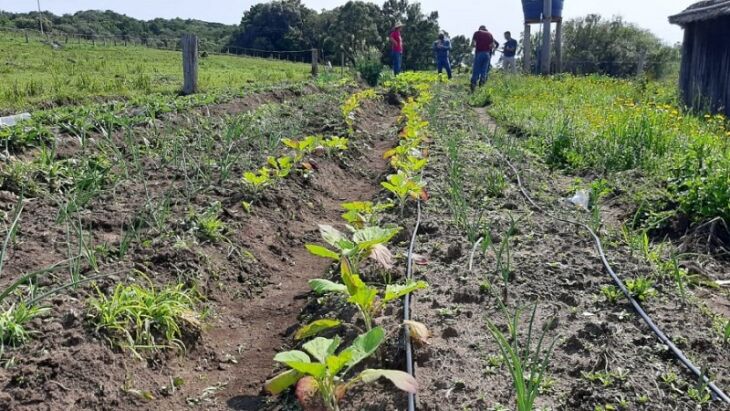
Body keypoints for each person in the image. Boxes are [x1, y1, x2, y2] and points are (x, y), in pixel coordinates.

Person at [470, 25, 495, 92]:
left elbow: (473, 43)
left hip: (479, 53)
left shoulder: (477, 33)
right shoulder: (490, 34)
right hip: (487, 54)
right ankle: (482, 85)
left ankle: (473, 85)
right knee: (484, 71)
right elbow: (492, 45)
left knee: (476, 70)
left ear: (480, 29)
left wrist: (475, 46)